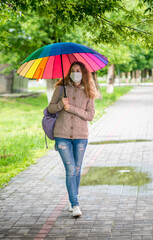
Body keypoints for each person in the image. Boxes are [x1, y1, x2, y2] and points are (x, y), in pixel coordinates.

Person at [48, 61, 98, 217]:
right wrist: (61, 105)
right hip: (62, 135)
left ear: (83, 73)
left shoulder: (89, 92)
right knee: (71, 169)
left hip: (81, 137)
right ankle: (75, 204)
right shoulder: (60, 88)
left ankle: (72, 200)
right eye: (73, 70)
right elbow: (50, 108)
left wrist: (72, 109)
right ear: (69, 72)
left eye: (78, 70)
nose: (75, 72)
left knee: (77, 169)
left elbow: (90, 115)